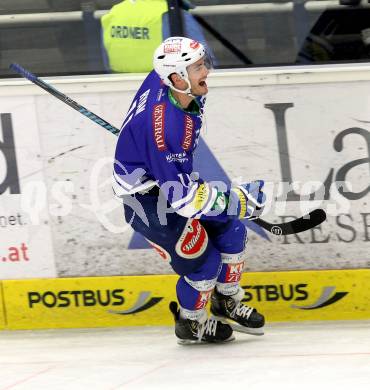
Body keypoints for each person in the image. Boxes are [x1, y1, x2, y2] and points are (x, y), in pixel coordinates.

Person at [113, 36, 266, 344]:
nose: (206, 71)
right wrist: (236, 200)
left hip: (163, 175)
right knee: (205, 264)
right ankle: (190, 322)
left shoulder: (173, 85)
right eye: (198, 67)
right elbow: (183, 200)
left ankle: (226, 300)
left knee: (232, 231)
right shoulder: (166, 128)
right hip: (148, 200)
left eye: (203, 63)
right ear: (176, 77)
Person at [101, 0, 214, 73]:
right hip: (165, 92)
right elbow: (205, 62)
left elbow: (106, 61)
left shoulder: (114, 13)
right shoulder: (172, 14)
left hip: (118, 90)